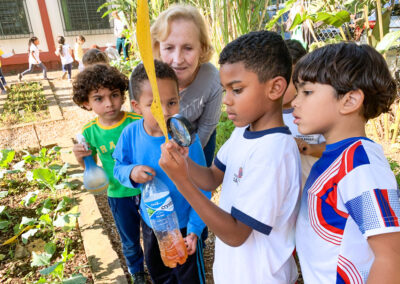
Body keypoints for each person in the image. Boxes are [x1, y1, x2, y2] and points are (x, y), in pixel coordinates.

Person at [159, 30, 301, 284]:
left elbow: (236, 234)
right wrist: (185, 163)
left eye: (237, 90)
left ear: (276, 87)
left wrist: (181, 182)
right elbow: (212, 178)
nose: (226, 101)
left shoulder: (274, 152)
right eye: (225, 90)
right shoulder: (244, 132)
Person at [292, 43, 400, 283]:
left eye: (306, 92)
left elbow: (391, 257)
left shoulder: (361, 166)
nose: (295, 102)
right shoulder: (335, 157)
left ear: (350, 101)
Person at [113, 60, 210, 284]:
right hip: (152, 224)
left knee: (189, 278)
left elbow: (204, 186)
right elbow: (118, 167)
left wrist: (195, 228)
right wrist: (131, 172)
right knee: (160, 274)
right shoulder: (130, 135)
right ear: (136, 107)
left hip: (185, 226)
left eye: (172, 102)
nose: (166, 112)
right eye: (155, 105)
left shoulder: (185, 140)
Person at [71, 64, 146, 284]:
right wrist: (81, 158)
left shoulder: (137, 120)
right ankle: (137, 272)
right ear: (86, 102)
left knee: (153, 234)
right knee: (130, 239)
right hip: (118, 194)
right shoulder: (89, 132)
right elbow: (91, 169)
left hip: (146, 189)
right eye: (98, 98)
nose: (109, 103)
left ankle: (159, 265)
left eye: (114, 95)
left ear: (122, 94)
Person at [151, 4, 223, 167]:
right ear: (158, 47)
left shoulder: (211, 79)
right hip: (159, 139)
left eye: (188, 48)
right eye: (169, 47)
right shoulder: (146, 78)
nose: (178, 59)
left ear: (202, 48)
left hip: (197, 139)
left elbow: (207, 126)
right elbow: (141, 126)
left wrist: (186, 158)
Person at [283, 39, 325, 188]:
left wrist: (310, 148)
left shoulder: (316, 113)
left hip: (309, 194)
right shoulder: (262, 115)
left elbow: (334, 146)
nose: (277, 87)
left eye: (286, 80)